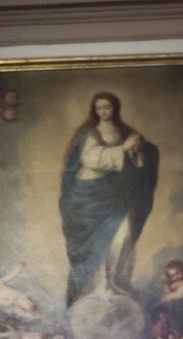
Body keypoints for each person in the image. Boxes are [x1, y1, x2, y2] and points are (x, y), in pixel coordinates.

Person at [59, 91, 160, 304]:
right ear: (94, 111)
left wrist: (136, 150)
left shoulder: (125, 131)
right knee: (96, 243)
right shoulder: (89, 133)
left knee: (121, 235)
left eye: (108, 107)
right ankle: (97, 285)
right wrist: (122, 149)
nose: (103, 111)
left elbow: (138, 159)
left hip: (113, 192)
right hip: (88, 193)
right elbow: (90, 159)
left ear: (115, 108)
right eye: (99, 108)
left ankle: (114, 281)